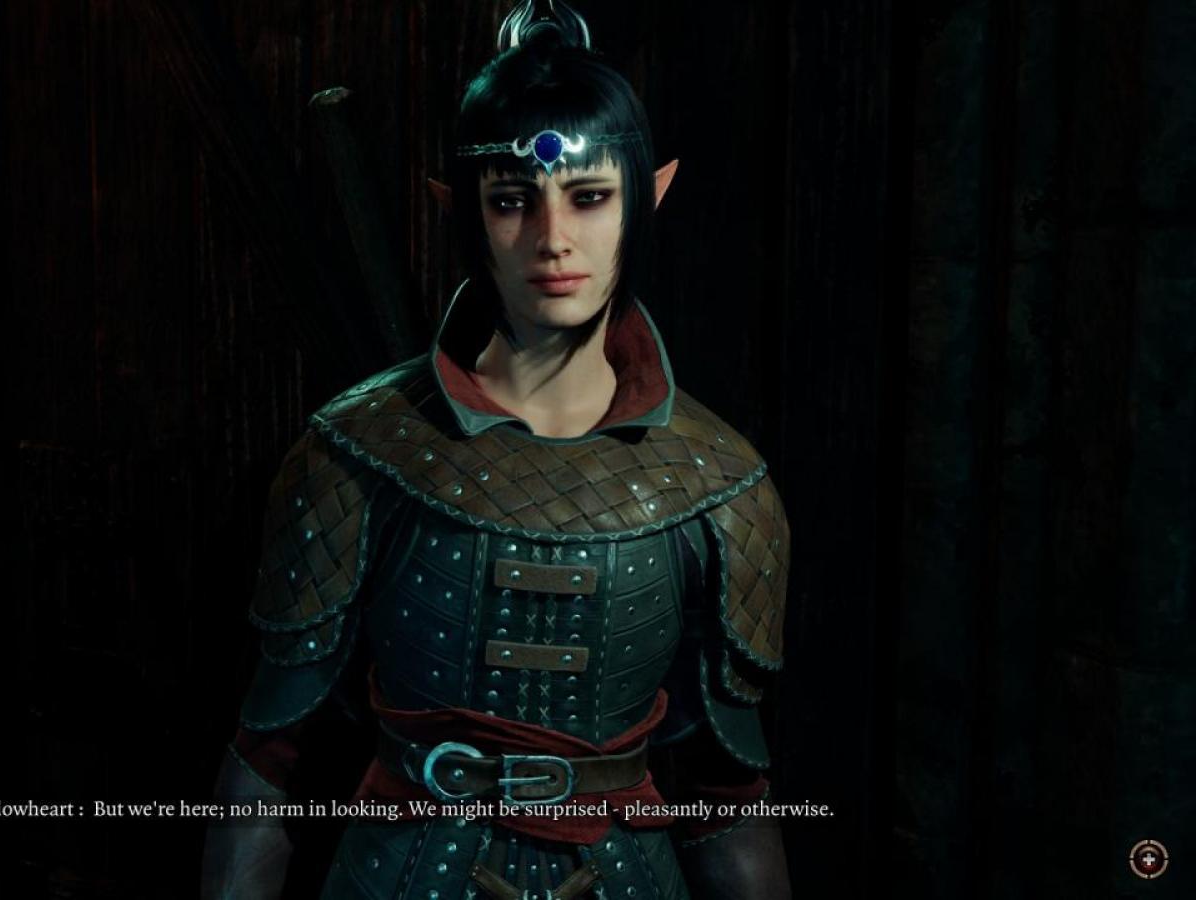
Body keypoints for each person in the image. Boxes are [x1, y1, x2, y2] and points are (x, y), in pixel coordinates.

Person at [204, 2, 792, 897]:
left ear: (646, 196)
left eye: (589, 196)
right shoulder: (358, 452)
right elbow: (266, 763)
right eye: (512, 200)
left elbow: (730, 800)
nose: (553, 239)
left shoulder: (721, 485)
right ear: (464, 211)